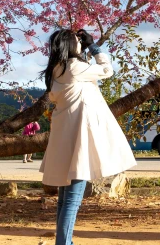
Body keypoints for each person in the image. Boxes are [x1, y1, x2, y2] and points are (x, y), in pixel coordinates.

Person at [40, 28, 137, 245]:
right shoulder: (75, 67)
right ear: (68, 45)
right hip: (78, 141)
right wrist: (93, 47)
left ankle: (64, 242)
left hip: (64, 141)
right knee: (72, 200)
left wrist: (81, 48)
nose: (80, 43)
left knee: (65, 200)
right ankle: (64, 243)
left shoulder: (58, 69)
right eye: (77, 41)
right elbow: (107, 69)